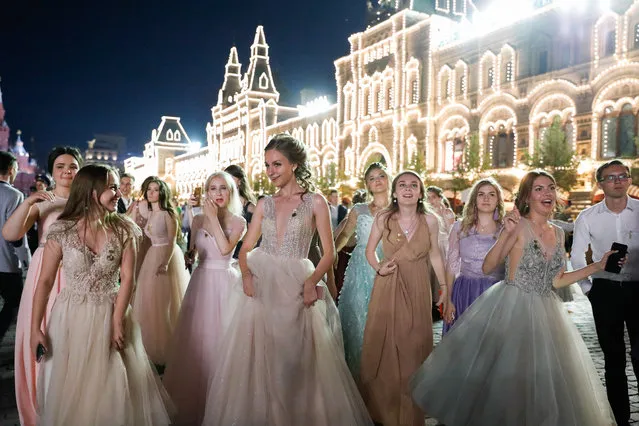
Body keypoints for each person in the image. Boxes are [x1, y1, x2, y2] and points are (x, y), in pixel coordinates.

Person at [410, 170, 618, 426]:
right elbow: (488, 267)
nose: (547, 193)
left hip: (546, 311)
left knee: (543, 380)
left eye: (550, 188)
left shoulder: (559, 233)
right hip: (511, 305)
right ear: (527, 197)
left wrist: (598, 266)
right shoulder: (518, 225)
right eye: (539, 189)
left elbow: (557, 280)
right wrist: (505, 235)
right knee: (507, 380)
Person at [202, 134, 372, 426]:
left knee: (296, 359)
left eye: (277, 164)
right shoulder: (265, 204)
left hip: (296, 280)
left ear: (294, 164)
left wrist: (311, 283)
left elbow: (329, 253)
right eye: (267, 165)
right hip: (262, 280)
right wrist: (245, 274)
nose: (271, 171)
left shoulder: (316, 202)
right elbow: (246, 247)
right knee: (259, 358)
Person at [30, 164, 172, 426]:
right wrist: (35, 327)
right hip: (70, 316)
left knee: (113, 382)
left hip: (111, 310)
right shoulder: (62, 230)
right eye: (112, 187)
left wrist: (117, 321)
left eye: (117, 187)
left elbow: (129, 278)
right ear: (92, 192)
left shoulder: (123, 228)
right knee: (74, 383)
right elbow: (45, 281)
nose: (118, 193)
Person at [360, 170, 447, 426]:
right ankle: (385, 411)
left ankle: (410, 413)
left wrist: (443, 286)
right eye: (402, 185)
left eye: (414, 185)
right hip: (389, 284)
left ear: (420, 192)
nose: (408, 189)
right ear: (395, 192)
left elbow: (434, 256)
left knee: (414, 347)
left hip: (418, 286)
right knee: (387, 347)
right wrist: (378, 267)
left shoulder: (430, 220)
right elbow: (369, 251)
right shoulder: (384, 218)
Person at [3, 146, 81, 426]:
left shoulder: (86, 200)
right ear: (51, 171)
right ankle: (44, 398)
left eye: (72, 166)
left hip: (76, 272)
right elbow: (10, 233)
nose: (66, 172)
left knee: (73, 336)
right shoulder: (42, 201)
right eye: (60, 166)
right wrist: (27, 203)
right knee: (45, 333)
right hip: (44, 274)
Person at [163, 172, 246, 426]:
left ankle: (221, 404)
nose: (218, 193)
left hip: (224, 281)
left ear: (230, 192)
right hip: (200, 282)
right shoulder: (197, 219)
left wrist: (211, 218)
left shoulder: (239, 221)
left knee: (221, 340)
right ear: (207, 192)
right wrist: (190, 253)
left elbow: (224, 249)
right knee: (196, 339)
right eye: (213, 188)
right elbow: (197, 251)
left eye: (223, 188)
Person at [572, 159, 639, 426]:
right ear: (600, 183)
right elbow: (577, 257)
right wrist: (590, 291)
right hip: (605, 292)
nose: (618, 181)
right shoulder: (587, 216)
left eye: (623, 176)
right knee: (613, 360)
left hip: (638, 291)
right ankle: (620, 419)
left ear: (629, 180)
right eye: (611, 177)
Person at [334, 162, 390, 380]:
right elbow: (345, 235)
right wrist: (333, 255)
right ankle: (356, 377)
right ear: (366, 184)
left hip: (386, 267)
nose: (377, 180)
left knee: (382, 321)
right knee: (357, 318)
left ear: (388, 179)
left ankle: (381, 375)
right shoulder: (359, 210)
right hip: (359, 269)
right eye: (372, 177)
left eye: (381, 176)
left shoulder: (398, 210)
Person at [131, 177, 189, 368]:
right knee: (149, 299)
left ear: (162, 192)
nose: (152, 193)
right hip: (151, 255)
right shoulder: (150, 214)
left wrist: (165, 262)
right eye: (149, 190)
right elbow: (136, 214)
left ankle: (167, 346)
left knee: (164, 301)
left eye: (156, 190)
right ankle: (148, 344)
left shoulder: (167, 214)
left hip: (165, 256)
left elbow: (172, 241)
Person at [442, 178, 505, 334]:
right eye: (481, 194)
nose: (486, 198)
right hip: (465, 291)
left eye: (491, 195)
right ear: (474, 200)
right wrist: (448, 300)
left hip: (495, 292)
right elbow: (451, 265)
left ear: (498, 201)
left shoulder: (506, 229)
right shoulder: (459, 227)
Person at [0, 152, 25, 343]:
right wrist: (26, 260)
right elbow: (17, 235)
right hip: (6, 263)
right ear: (10, 170)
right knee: (14, 302)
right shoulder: (14, 195)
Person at [224, 164, 257, 259]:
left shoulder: (250, 208)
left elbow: (252, 239)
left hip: (239, 259)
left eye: (230, 178)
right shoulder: (222, 205)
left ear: (239, 182)